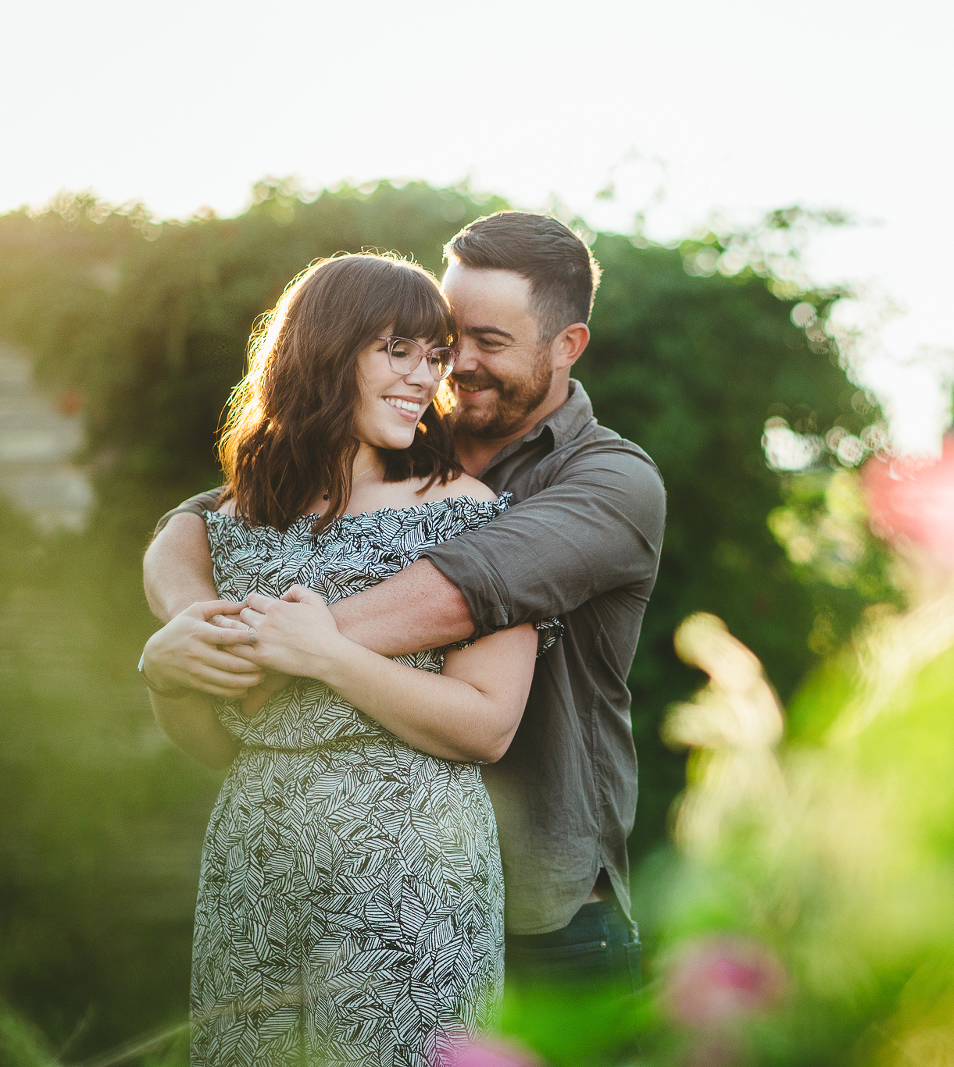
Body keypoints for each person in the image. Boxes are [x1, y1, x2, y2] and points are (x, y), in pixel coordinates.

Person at [141, 211, 666, 992]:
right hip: (323, 881)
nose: (451, 369)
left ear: (567, 347)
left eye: (488, 343)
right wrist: (187, 630)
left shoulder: (612, 483)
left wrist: (270, 656)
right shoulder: (404, 435)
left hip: (545, 916)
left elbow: (464, 590)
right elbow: (201, 516)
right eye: (441, 342)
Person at [141, 251, 553, 1063]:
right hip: (254, 864)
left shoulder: (470, 517)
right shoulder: (228, 524)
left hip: (412, 872)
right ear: (327, 350)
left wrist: (328, 655)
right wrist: (163, 675)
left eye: (434, 356)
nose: (423, 377)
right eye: (397, 349)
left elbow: (488, 725)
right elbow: (221, 744)